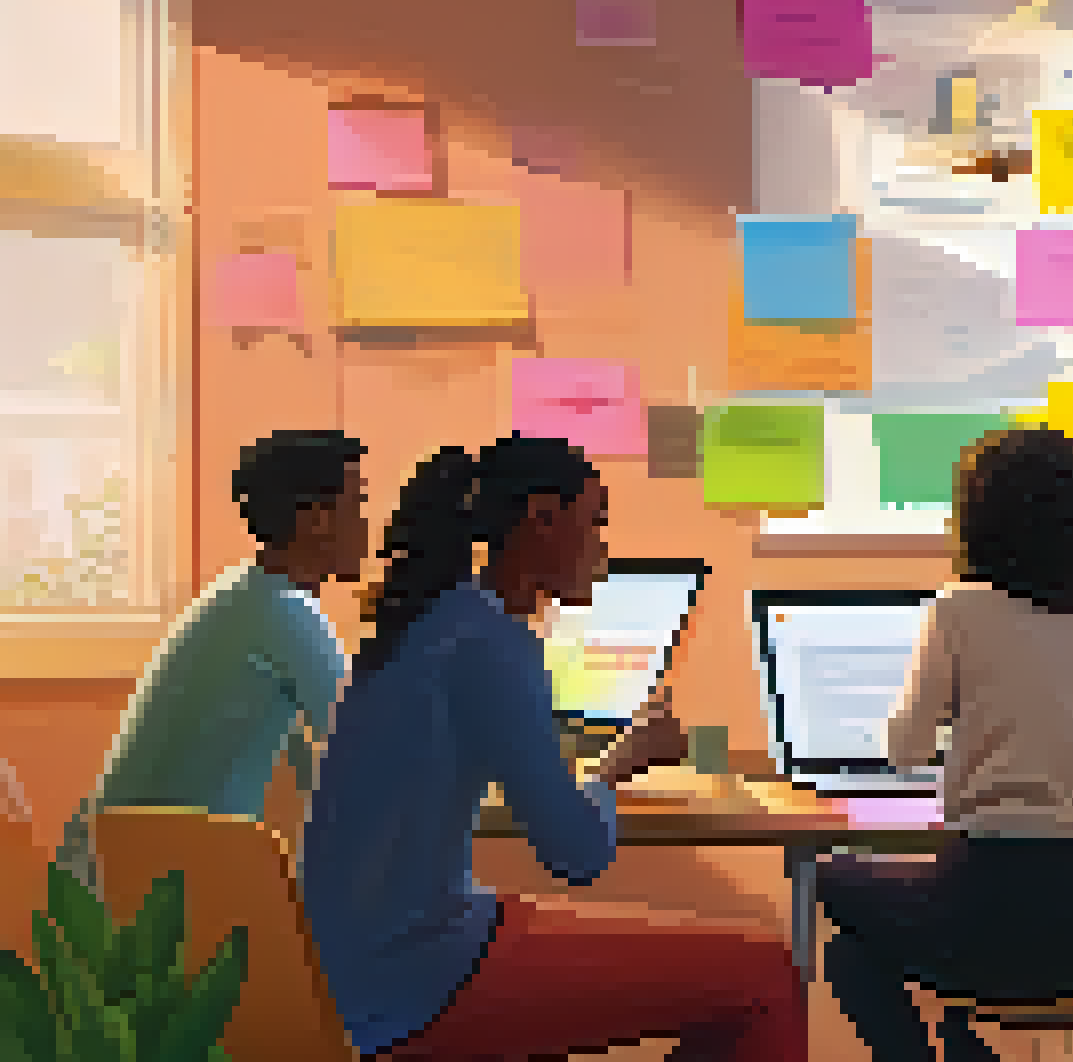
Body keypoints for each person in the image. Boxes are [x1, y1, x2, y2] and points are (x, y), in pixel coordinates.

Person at [302, 436, 805, 1060]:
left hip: (355, 967)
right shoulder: (491, 643)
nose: (599, 544)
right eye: (593, 520)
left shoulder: (431, 622)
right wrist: (623, 762)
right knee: (763, 977)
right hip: (412, 981)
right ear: (542, 519)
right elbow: (576, 854)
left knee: (682, 969)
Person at [815, 427, 1073, 1062]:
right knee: (917, 950)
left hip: (985, 909)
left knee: (830, 887)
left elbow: (906, 750)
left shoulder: (959, 608)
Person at [58, 430, 370, 890]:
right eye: (356, 504)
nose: (365, 523)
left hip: (108, 874)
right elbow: (367, 744)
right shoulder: (288, 614)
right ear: (316, 520)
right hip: (154, 895)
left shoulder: (241, 597)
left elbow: (321, 759)